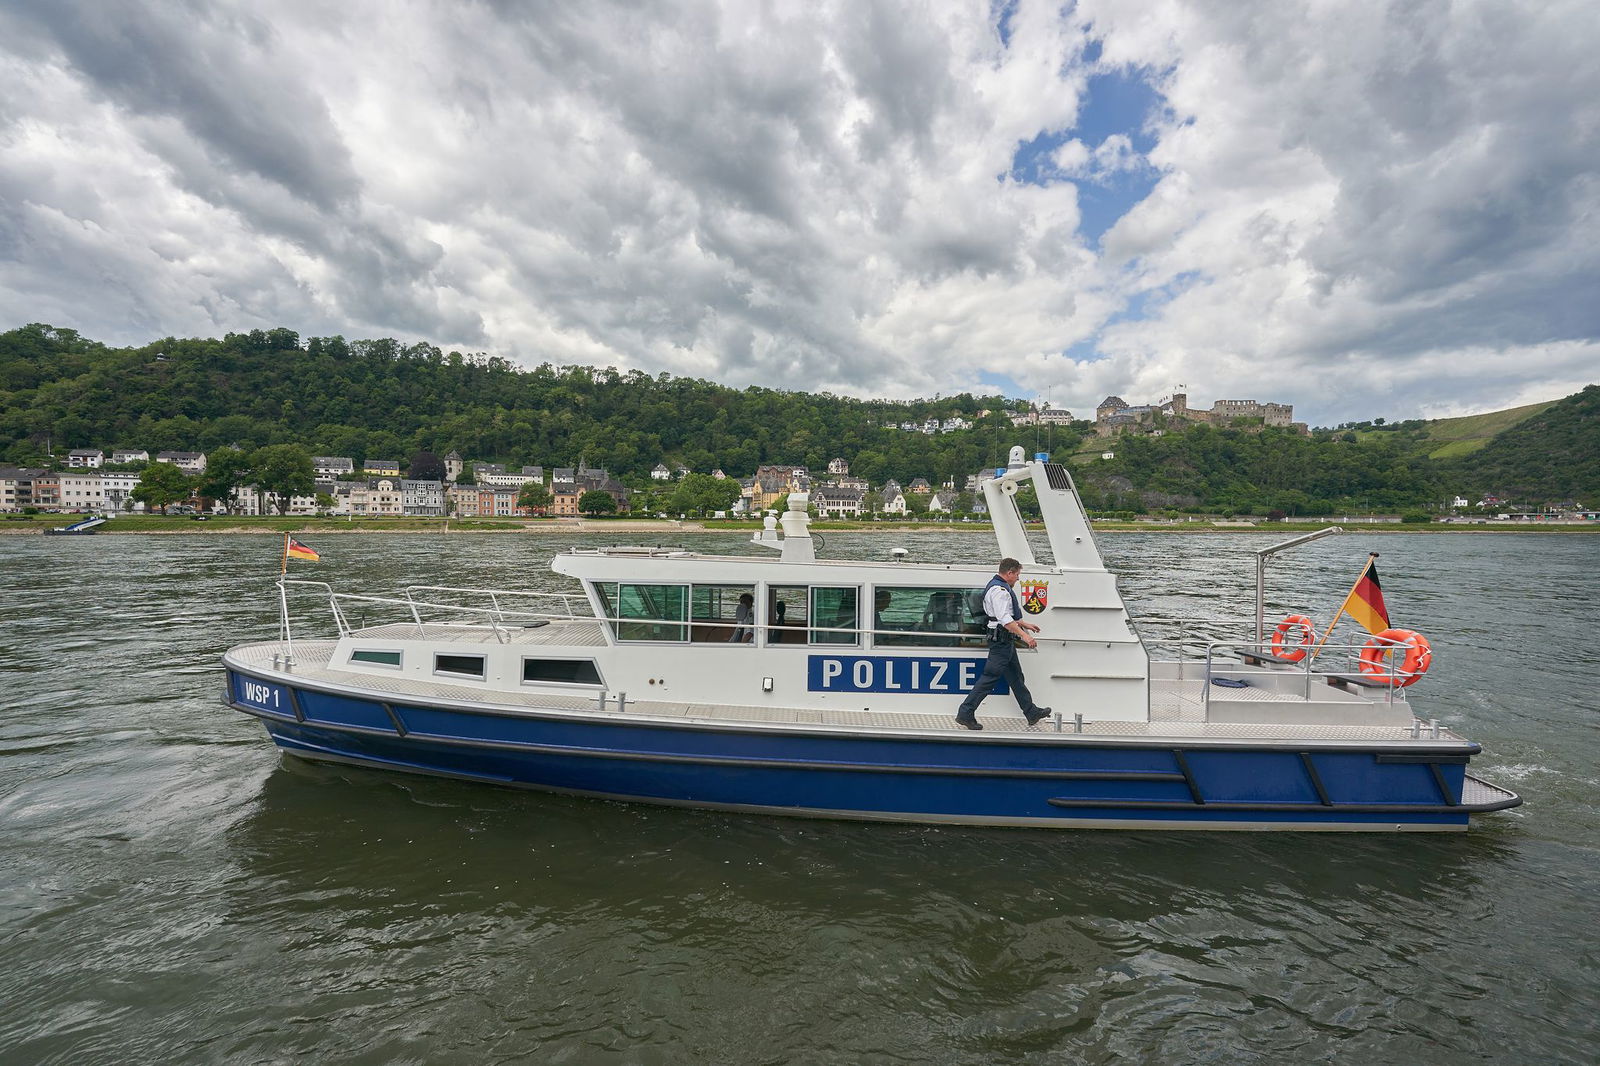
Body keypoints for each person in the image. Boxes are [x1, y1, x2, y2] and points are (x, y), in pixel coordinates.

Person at [955, 558, 1051, 730]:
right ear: (1009, 573)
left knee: (1016, 677)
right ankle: (965, 713)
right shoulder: (1000, 591)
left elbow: (1003, 616)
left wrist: (1024, 624)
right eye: (1017, 575)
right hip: (1001, 640)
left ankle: (1031, 712)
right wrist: (1025, 636)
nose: (1018, 578)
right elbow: (1005, 620)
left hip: (1003, 640)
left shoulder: (997, 586)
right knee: (990, 678)